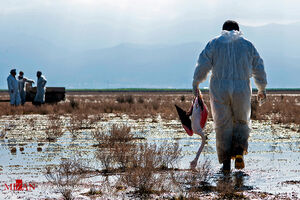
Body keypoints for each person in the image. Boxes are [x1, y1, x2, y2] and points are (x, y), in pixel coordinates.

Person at [192, 20, 267, 171]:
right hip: (242, 88)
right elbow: (258, 65)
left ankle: (226, 164)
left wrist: (196, 83)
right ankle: (239, 152)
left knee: (222, 124)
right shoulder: (247, 45)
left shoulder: (214, 43)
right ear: (238, 30)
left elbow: (203, 64)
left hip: (220, 88)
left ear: (223, 30)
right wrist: (262, 88)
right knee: (241, 121)